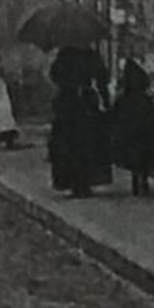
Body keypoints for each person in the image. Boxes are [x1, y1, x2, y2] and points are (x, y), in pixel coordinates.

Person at [47, 45, 113, 198]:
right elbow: (102, 78)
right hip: (78, 103)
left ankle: (77, 182)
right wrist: (105, 101)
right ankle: (81, 182)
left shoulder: (64, 54)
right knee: (82, 144)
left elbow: (54, 76)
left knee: (75, 144)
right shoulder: (89, 54)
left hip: (73, 104)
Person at [109, 58, 154, 195]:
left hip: (130, 131)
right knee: (144, 156)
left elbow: (115, 115)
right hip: (145, 131)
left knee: (133, 157)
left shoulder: (124, 99)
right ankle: (144, 181)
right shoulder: (145, 100)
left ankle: (136, 183)